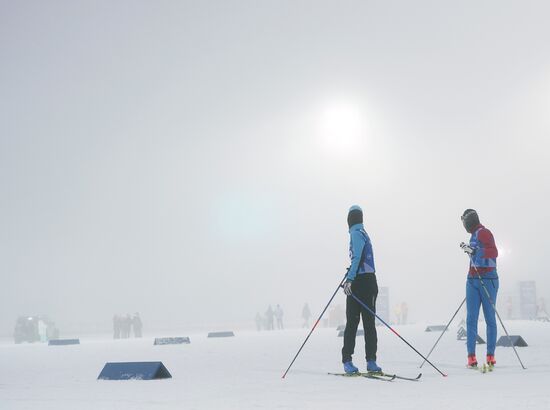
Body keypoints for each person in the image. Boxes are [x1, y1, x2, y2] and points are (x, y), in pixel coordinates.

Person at [341, 205, 381, 374]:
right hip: (368, 281)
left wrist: (349, 279)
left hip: (360, 282)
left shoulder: (356, 234)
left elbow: (357, 257)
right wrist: (350, 273)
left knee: (353, 322)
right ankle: (370, 361)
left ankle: (349, 360)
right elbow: (359, 259)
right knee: (368, 324)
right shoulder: (363, 233)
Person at [460, 209, 499, 368]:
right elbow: (477, 255)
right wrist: (470, 251)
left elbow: (494, 252)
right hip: (473, 280)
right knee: (471, 318)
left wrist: (476, 251)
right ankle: (471, 357)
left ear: (469, 221)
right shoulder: (473, 235)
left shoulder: (484, 232)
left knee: (489, 318)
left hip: (488, 280)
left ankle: (490, 355)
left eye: (464, 222)